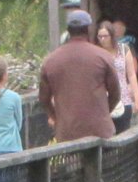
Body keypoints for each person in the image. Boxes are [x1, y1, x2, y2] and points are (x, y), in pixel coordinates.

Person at [38, 8, 120, 141]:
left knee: (71, 162)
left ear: (68, 30)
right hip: (100, 134)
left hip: (67, 134)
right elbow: (115, 94)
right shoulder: (103, 57)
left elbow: (43, 99)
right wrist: (102, 114)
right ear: (88, 29)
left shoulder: (50, 61)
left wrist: (57, 118)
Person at [96, 20, 138, 127]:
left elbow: (131, 75)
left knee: (124, 131)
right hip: (102, 100)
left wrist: (137, 98)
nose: (102, 39)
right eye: (99, 36)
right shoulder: (96, 51)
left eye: (105, 36)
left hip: (123, 98)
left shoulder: (124, 49)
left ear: (112, 36)